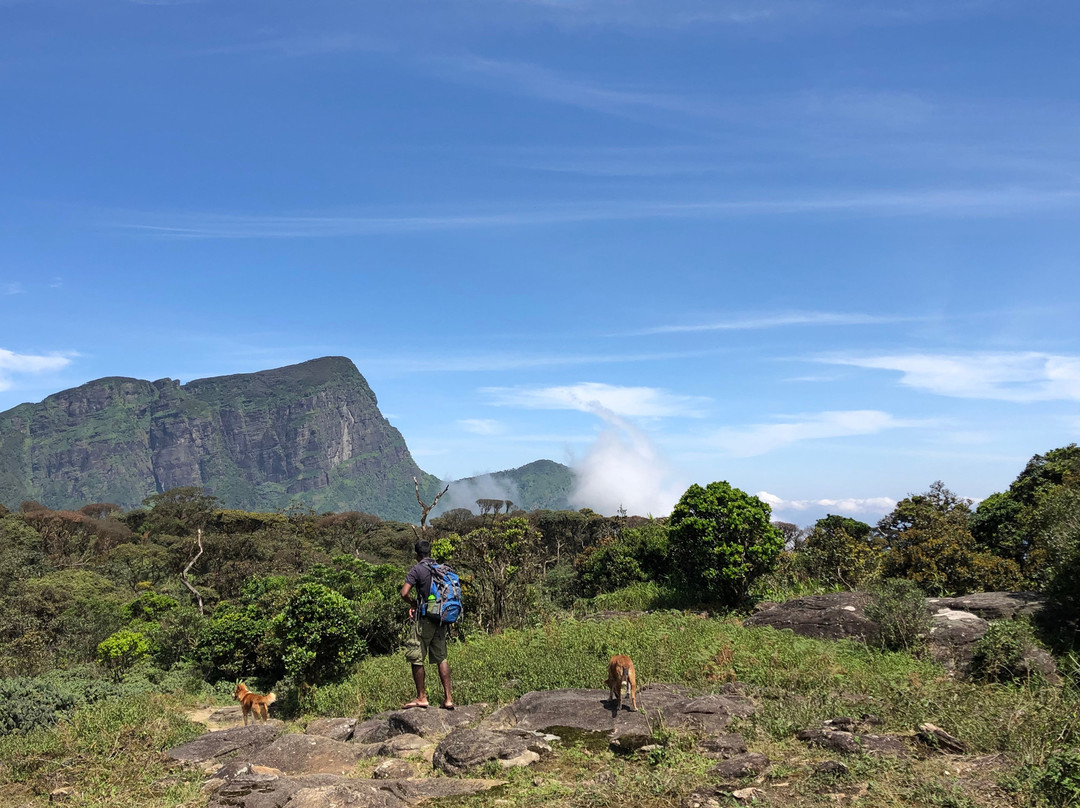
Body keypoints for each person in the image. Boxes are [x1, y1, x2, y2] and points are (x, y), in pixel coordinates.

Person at [399, 539, 453, 709]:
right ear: (430, 553)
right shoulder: (441, 569)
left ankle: (422, 697)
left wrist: (413, 603)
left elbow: (404, 593)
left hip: (425, 619)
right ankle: (448, 699)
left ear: (417, 555)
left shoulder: (417, 569)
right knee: (441, 657)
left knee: (416, 656)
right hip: (441, 619)